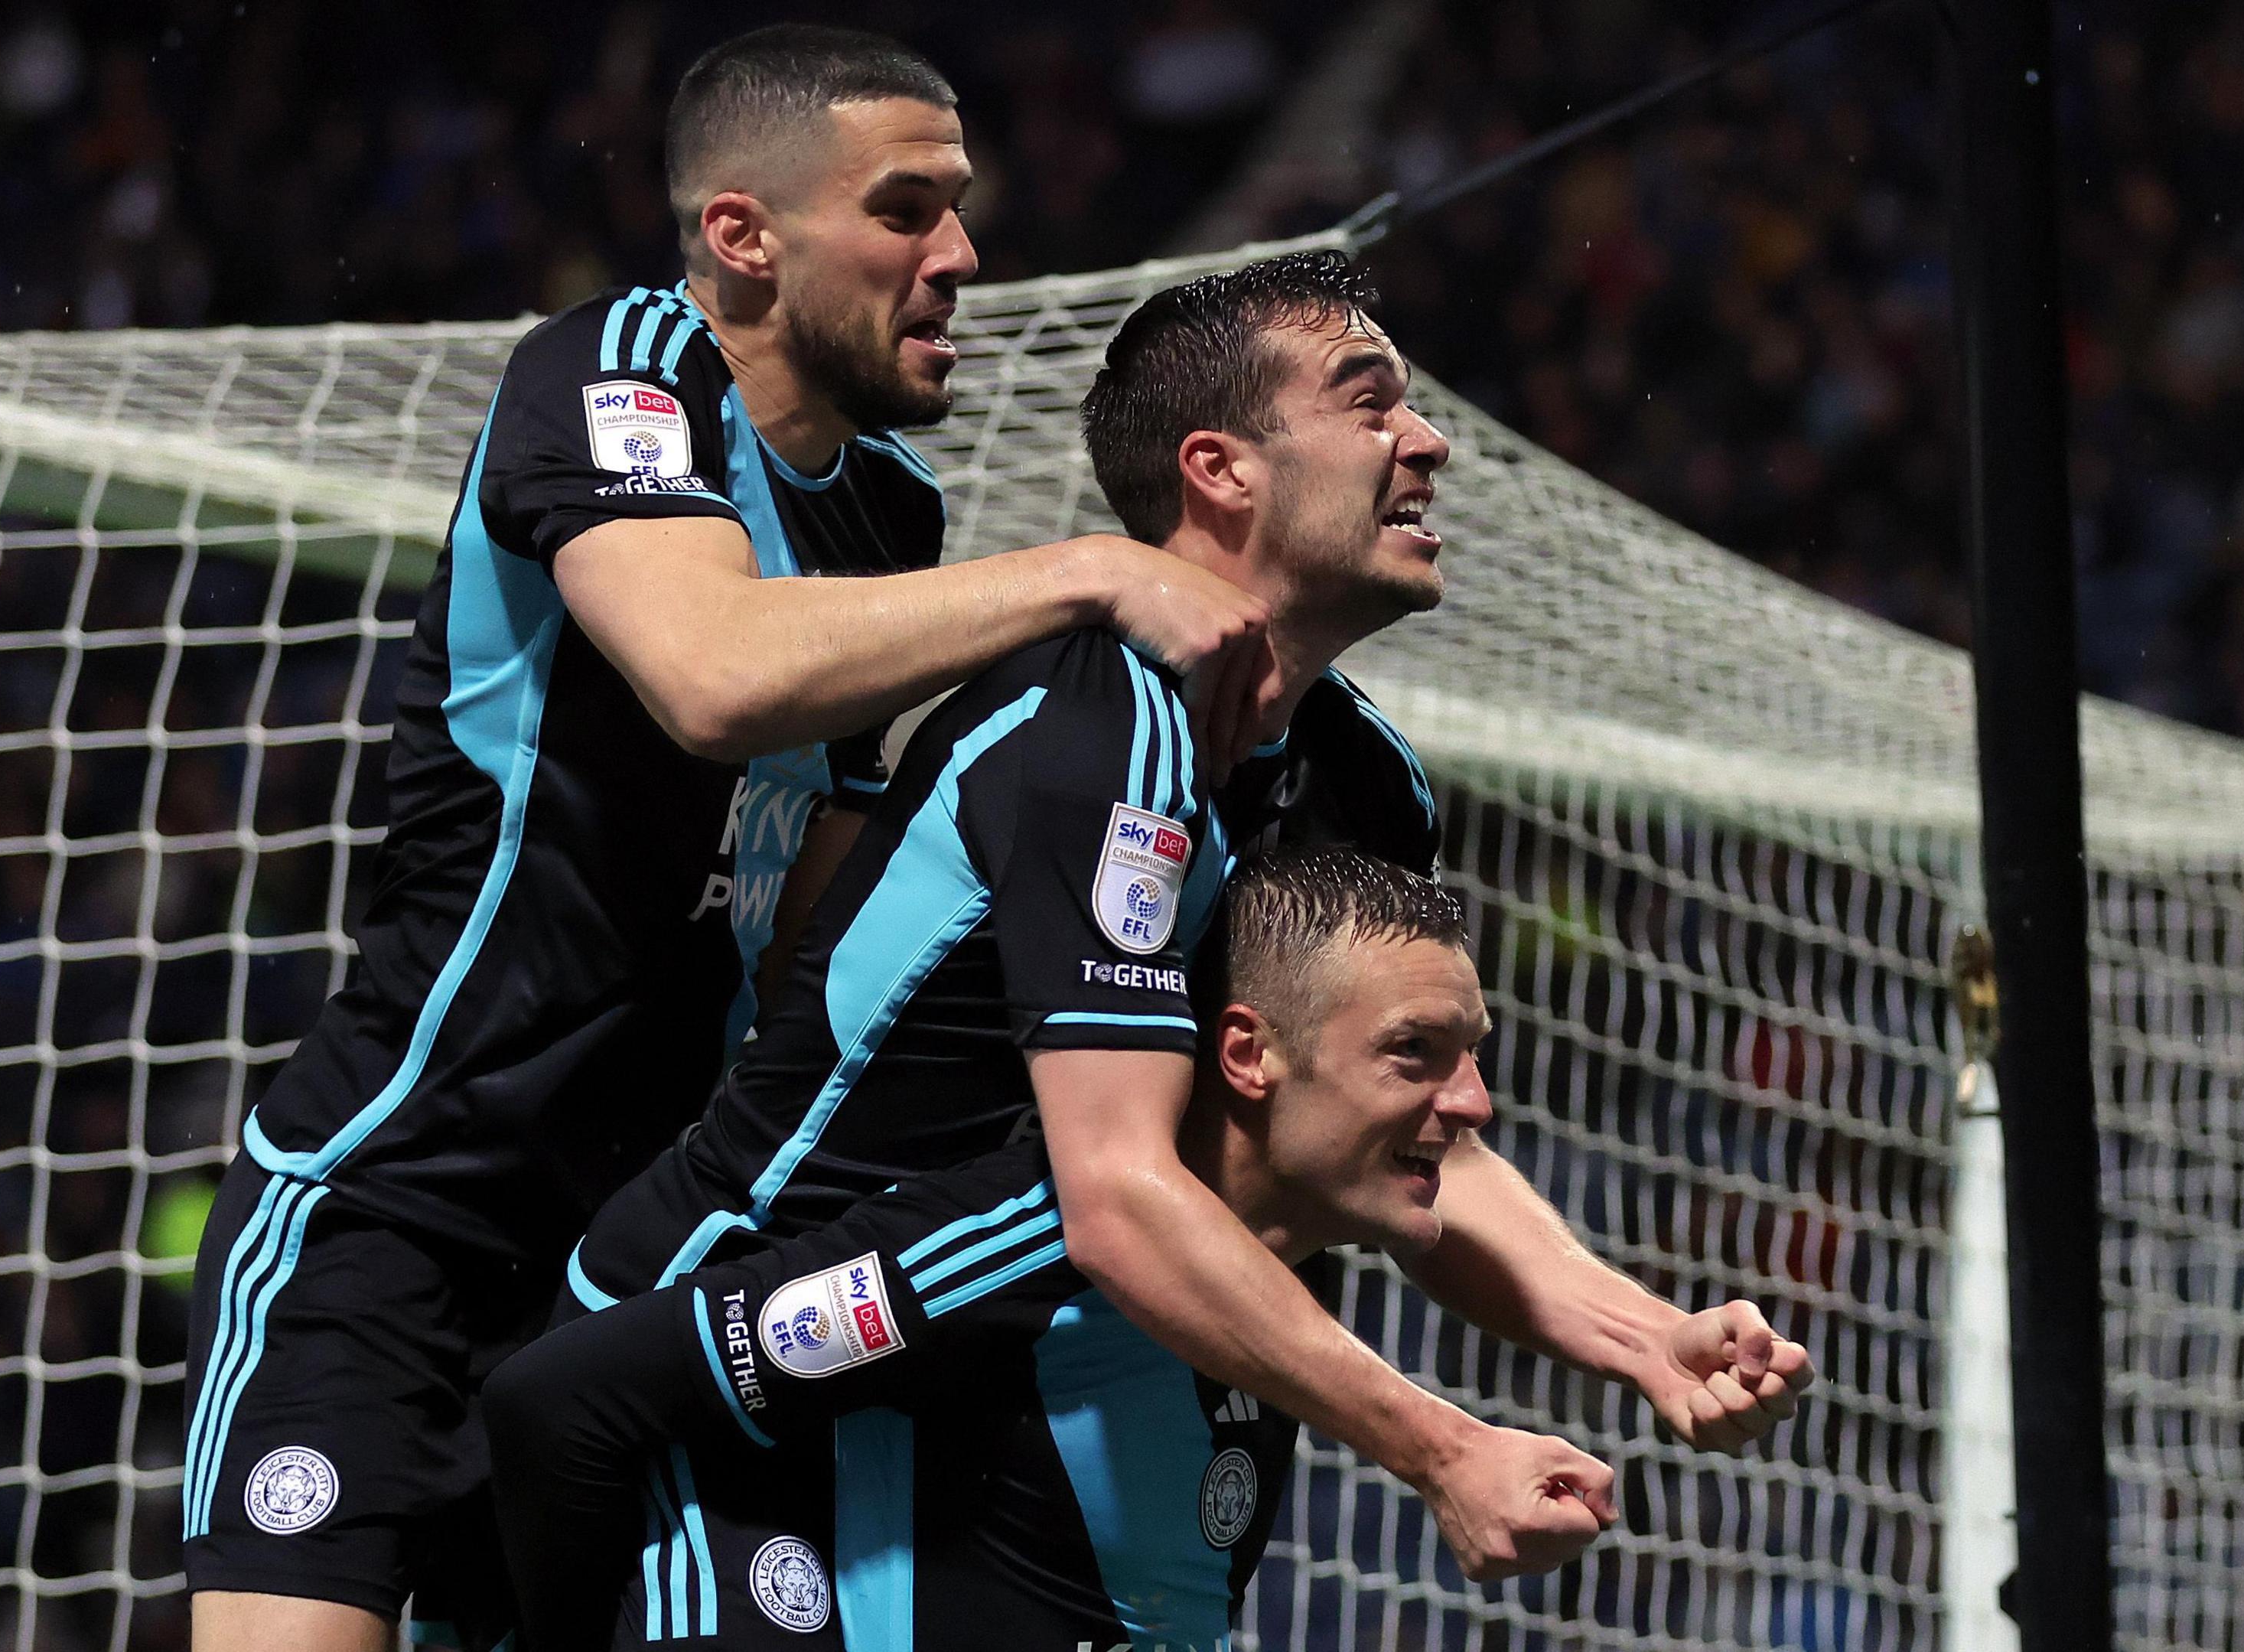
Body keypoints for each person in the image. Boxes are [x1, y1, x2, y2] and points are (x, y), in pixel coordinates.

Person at [491, 249, 1807, 1647]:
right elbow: (1113, 1192)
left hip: (987, 1339)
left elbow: (1408, 1130)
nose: (1427, 443)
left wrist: (1636, 1336)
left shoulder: (1365, 782)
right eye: (1369, 405)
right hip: (751, 1337)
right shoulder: (1098, 729)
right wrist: (1438, 1449)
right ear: (1219, 470)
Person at [179, 27, 1278, 1652]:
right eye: (907, 211)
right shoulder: (616, 367)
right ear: (742, 237)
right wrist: (1084, 571)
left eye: (960, 208)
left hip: (645, 1257)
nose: (961, 257)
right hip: (402, 1205)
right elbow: (709, 679)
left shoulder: (888, 511)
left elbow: (825, 894)